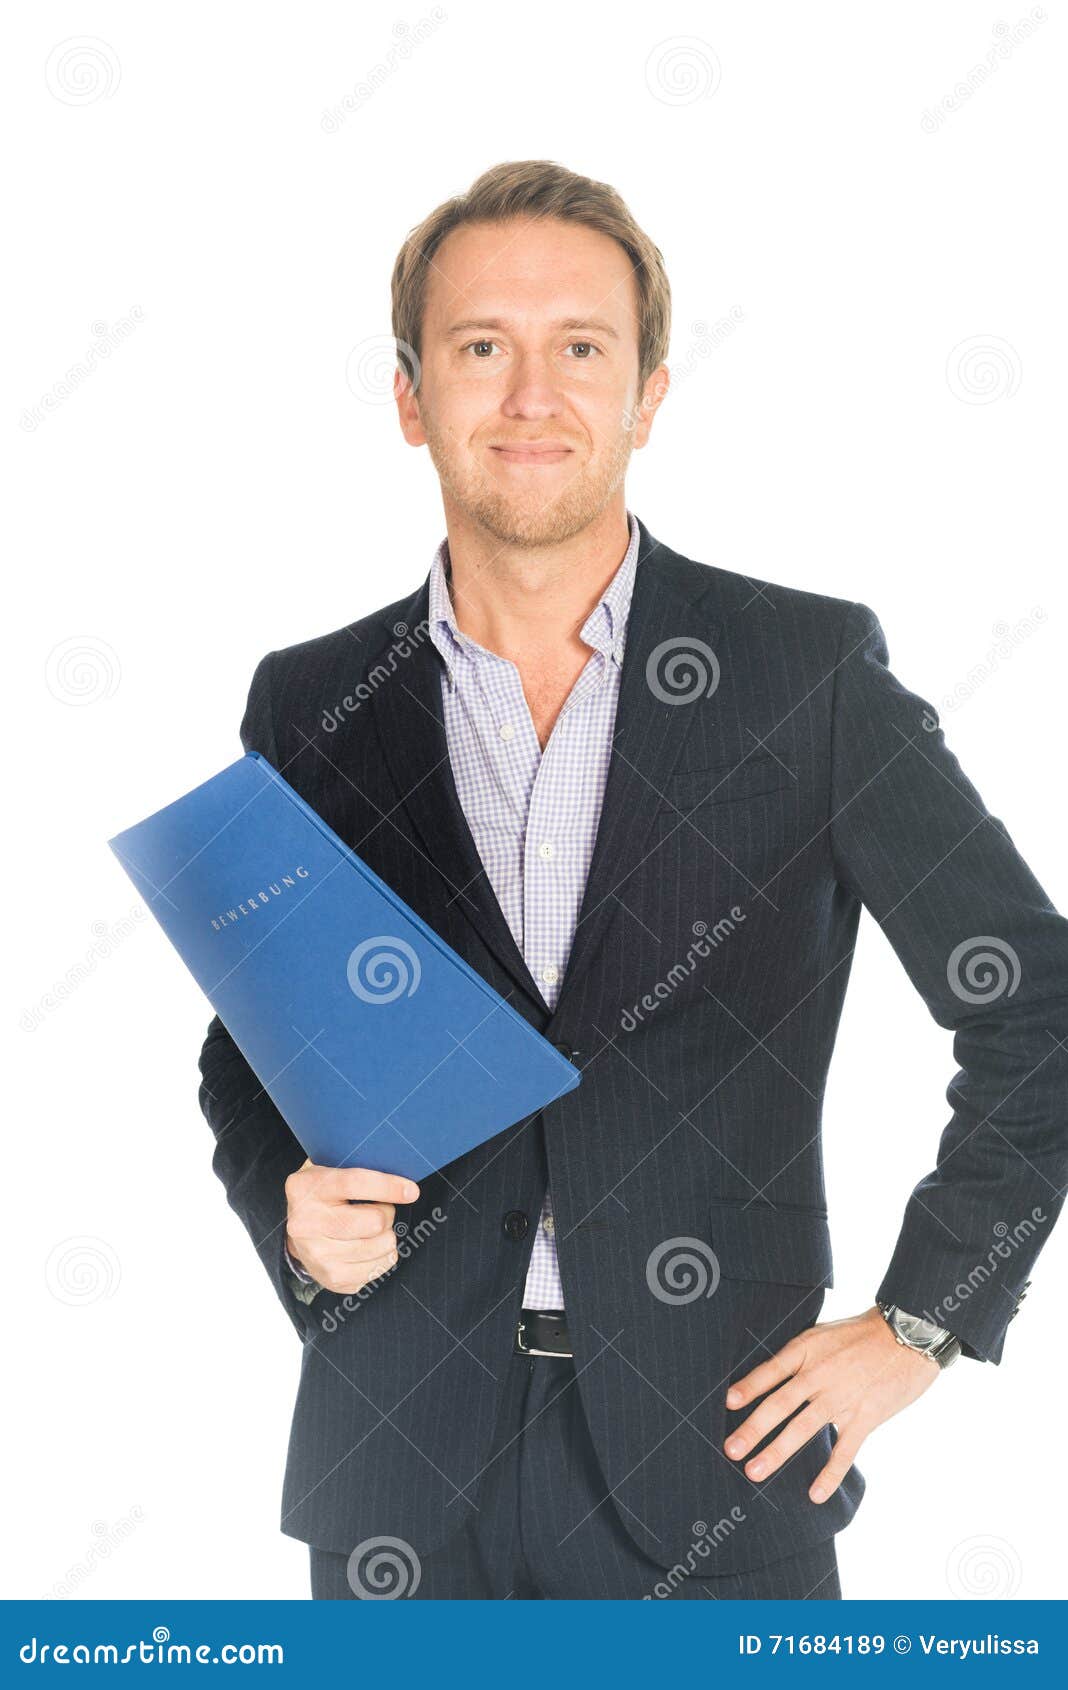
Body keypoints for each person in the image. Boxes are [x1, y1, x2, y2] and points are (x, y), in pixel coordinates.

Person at [198, 159, 1067, 1601]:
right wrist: (286, 1204)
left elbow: (1038, 1005)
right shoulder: (312, 704)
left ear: (649, 395)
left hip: (722, 1468)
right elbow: (253, 1040)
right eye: (483, 347)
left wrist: (925, 1318)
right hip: (398, 1485)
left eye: (583, 348)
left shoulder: (802, 676)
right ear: (411, 397)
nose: (532, 395)